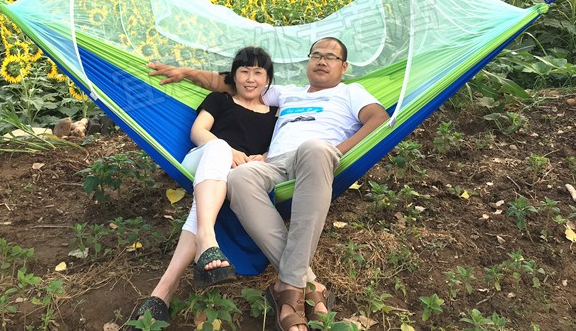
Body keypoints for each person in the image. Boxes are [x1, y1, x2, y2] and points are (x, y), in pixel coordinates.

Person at [148, 37, 389, 331]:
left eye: (331, 57)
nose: (322, 61)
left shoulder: (351, 92)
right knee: (238, 176)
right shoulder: (287, 93)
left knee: (314, 147)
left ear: (344, 66)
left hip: (316, 156)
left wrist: (337, 151)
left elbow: (378, 118)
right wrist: (186, 73)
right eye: (316, 55)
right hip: (273, 163)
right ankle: (307, 285)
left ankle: (289, 293)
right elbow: (235, 83)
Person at [131, 46, 278, 325]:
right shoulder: (220, 99)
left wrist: (263, 157)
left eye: (258, 72)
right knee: (219, 149)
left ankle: (163, 291)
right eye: (244, 71)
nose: (250, 78)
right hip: (202, 159)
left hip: (239, 177)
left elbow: (279, 148)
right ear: (233, 76)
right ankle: (207, 237)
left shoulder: (276, 114)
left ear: (267, 79)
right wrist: (228, 150)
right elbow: (198, 131)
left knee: (207, 201)